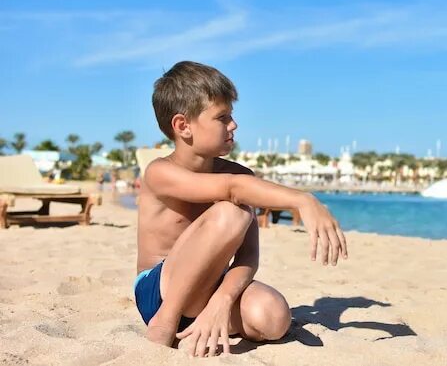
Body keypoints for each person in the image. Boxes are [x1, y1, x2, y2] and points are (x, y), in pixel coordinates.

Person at [135, 61, 348, 357]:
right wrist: (303, 199)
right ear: (183, 126)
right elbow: (231, 189)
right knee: (231, 212)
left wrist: (222, 301)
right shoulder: (160, 172)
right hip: (158, 292)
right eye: (222, 118)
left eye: (232, 116)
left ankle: (205, 317)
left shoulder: (240, 174)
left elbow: (248, 256)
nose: (233, 125)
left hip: (208, 290)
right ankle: (167, 321)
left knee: (274, 317)